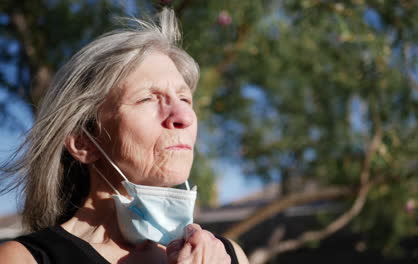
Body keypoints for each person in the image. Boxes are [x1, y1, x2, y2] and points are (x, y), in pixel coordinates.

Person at [0, 8, 249, 264]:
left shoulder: (228, 255)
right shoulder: (23, 258)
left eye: (185, 98)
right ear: (82, 141)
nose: (183, 116)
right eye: (147, 99)